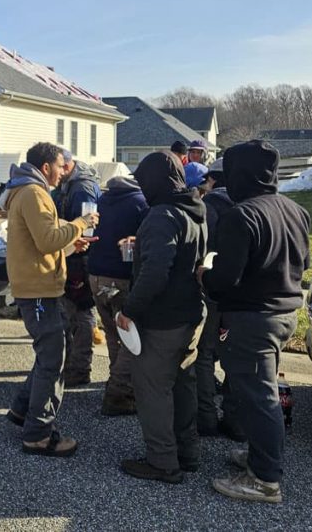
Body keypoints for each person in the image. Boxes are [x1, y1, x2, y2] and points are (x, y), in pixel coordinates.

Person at [201, 140, 310, 504]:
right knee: (260, 394)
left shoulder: (241, 215)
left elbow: (226, 279)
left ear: (239, 173)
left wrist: (204, 275)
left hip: (252, 319)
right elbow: (302, 262)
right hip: (287, 314)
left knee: (259, 399)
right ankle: (261, 455)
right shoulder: (295, 210)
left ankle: (265, 479)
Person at [117, 151, 207, 484]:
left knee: (152, 388)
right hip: (191, 314)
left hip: (163, 319)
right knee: (182, 383)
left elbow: (155, 272)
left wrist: (129, 310)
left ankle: (162, 462)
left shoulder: (161, 216)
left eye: (143, 182)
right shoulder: (196, 209)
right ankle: (188, 452)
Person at [3, 142, 96, 458]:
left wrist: (71, 245)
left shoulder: (27, 191)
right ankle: (39, 434)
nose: (64, 170)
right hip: (39, 290)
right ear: (45, 167)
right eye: (60, 165)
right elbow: (46, 240)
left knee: (49, 353)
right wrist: (81, 224)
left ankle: (21, 411)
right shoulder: (34, 194)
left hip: (37, 286)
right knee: (54, 359)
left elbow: (39, 242)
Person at [87, 176, 148, 416]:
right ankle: (119, 394)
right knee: (130, 338)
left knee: (113, 333)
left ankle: (114, 381)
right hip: (121, 278)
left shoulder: (102, 200)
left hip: (96, 277)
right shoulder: (140, 203)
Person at [194, 158, 244, 441]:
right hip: (242, 297)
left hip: (211, 290)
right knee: (234, 355)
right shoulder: (249, 207)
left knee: (204, 352)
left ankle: (206, 416)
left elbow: (199, 248)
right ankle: (235, 419)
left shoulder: (207, 207)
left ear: (211, 180)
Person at [53, 149, 101, 386]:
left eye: (61, 167)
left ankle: (79, 369)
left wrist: (73, 244)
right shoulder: (66, 186)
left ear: (69, 166)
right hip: (71, 253)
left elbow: (88, 228)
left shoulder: (82, 188)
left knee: (81, 314)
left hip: (81, 257)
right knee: (71, 314)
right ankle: (72, 366)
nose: (57, 172)